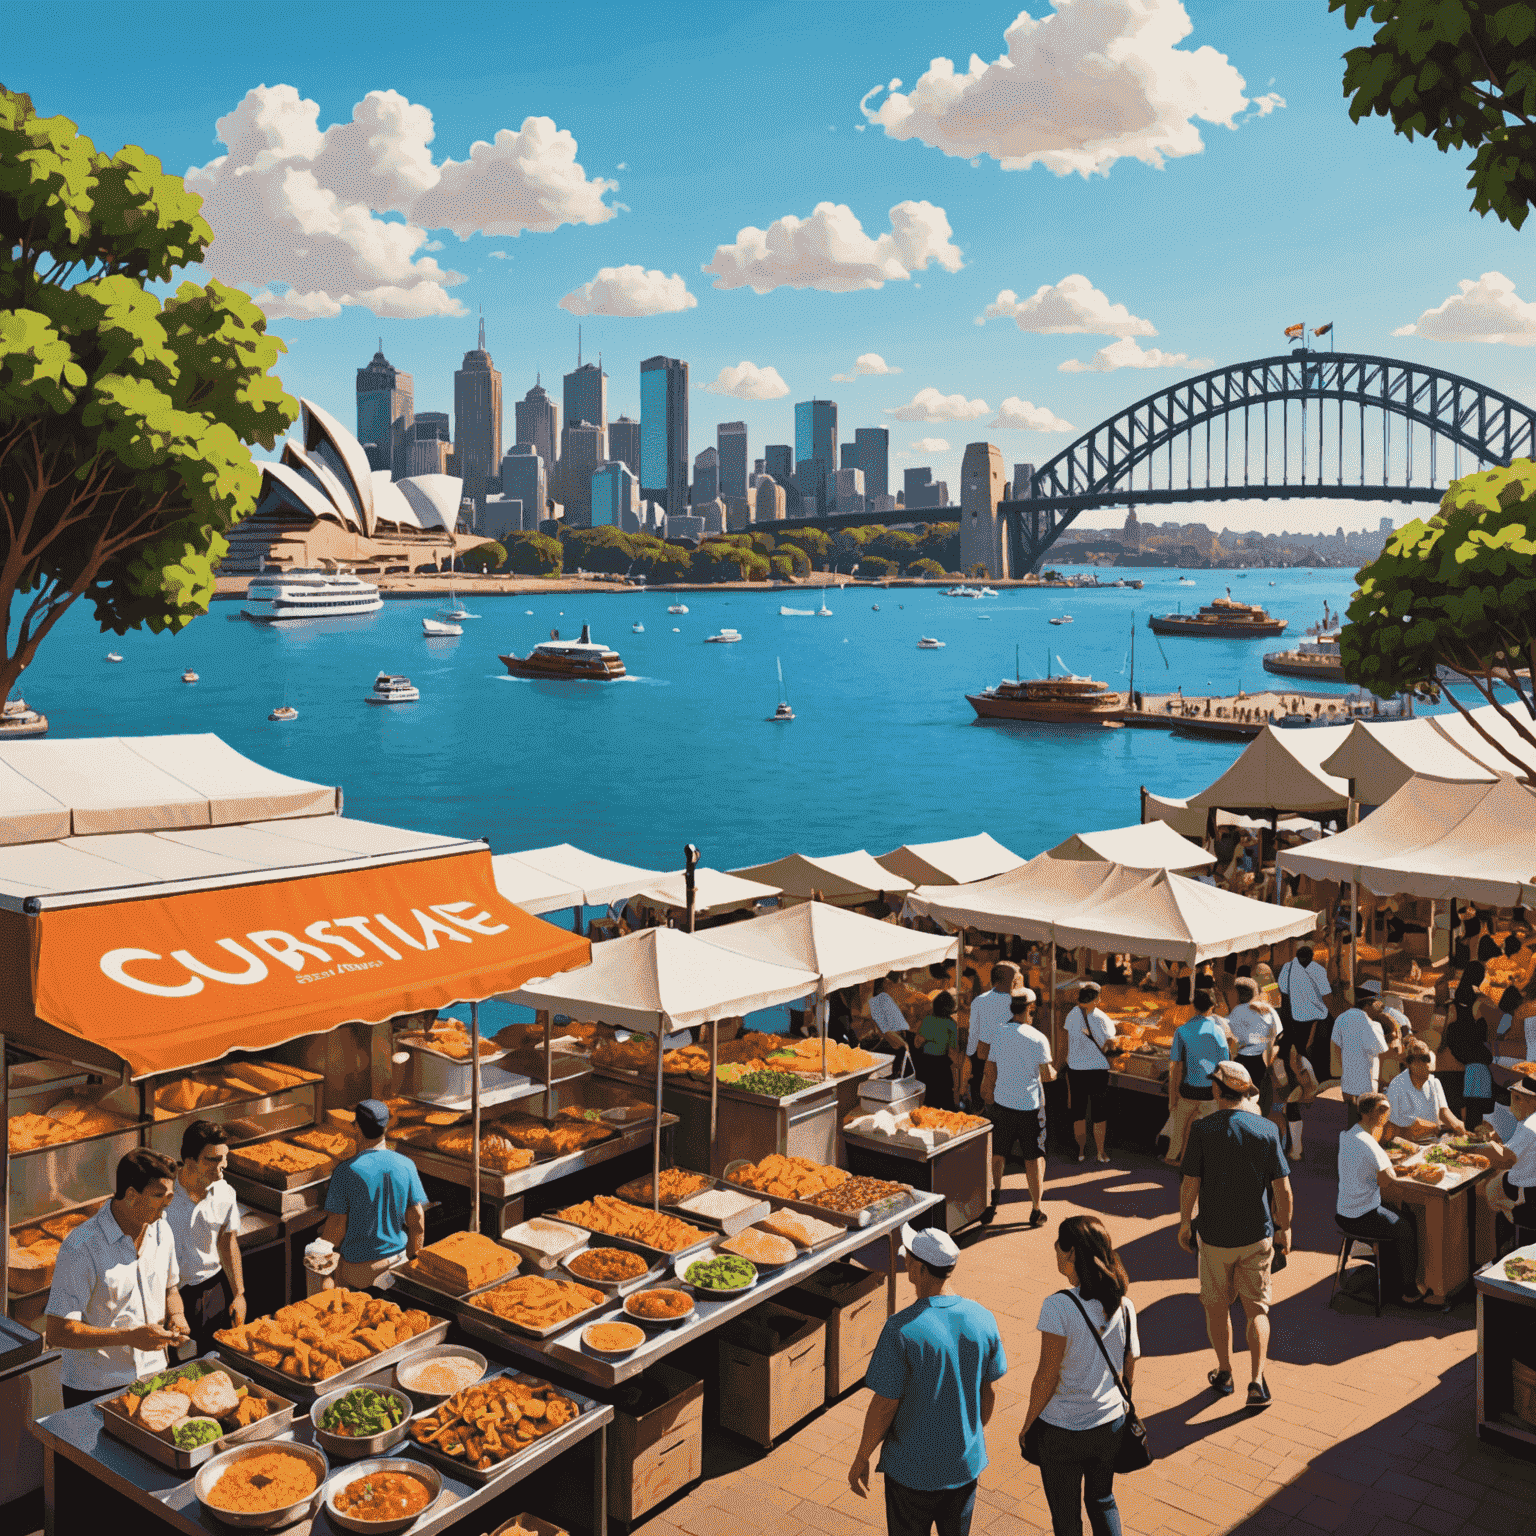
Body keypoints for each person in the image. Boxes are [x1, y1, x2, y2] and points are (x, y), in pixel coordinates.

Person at [849, 1224, 1006, 1536]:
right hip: (964, 1466)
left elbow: (884, 1406)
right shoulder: (983, 1318)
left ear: (918, 1269)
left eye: (908, 1258)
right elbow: (988, 1396)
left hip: (911, 1473)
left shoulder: (900, 1329)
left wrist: (862, 1456)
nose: (905, 1261)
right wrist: (966, 1437)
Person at [1177, 1061, 1292, 1407]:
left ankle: (1225, 1371)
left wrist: (1185, 1221)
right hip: (1257, 1234)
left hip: (1213, 1236)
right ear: (1245, 1092)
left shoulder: (1202, 1129)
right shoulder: (1267, 1130)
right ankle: (1256, 1382)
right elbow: (1283, 1190)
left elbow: (1190, 1184)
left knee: (1216, 1308)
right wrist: (1284, 1227)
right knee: (1257, 1310)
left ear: (1216, 1089)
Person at [1019, 1216, 1139, 1536]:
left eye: (1059, 1244)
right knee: (1103, 1500)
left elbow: (1047, 1375)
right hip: (1109, 1422)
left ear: (1070, 1254)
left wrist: (1029, 1422)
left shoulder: (1059, 1306)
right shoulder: (1124, 1304)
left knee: (1066, 1516)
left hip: (1062, 1430)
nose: (1055, 1249)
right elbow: (1129, 1365)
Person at [45, 1149, 189, 1408]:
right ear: (132, 1195)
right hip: (97, 1389)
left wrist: (177, 1316)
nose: (167, 1205)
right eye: (158, 1196)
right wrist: (128, 1337)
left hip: (154, 1376)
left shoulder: (161, 1229)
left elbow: (171, 1289)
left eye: (170, 1195)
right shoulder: (81, 1247)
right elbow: (59, 1332)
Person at [321, 1099, 428, 1290]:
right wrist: (412, 1262)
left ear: (357, 1128)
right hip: (397, 1264)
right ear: (386, 1127)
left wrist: (320, 1261)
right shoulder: (406, 1165)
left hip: (360, 1273)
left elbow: (336, 1230)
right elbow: (417, 1219)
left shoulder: (346, 1171)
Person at [1335, 1093, 1430, 1306]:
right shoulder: (1369, 1143)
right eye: (1384, 1110)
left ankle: (1390, 1278)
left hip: (1344, 1211)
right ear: (1375, 1115)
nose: (1388, 1114)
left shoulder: (1348, 1135)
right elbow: (1389, 1180)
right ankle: (1408, 1290)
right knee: (1405, 1228)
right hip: (1361, 1215)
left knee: (1403, 1216)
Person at [976, 990, 1056, 1229]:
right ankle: (1036, 1209)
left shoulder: (998, 1033)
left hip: (1001, 1104)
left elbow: (990, 1068)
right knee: (1033, 1158)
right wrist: (1053, 1070)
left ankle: (992, 1202)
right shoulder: (1038, 1038)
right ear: (1030, 1009)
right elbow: (1047, 1075)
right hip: (1029, 1107)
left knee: (998, 1154)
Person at [167, 1120, 246, 1355]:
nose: (222, 1166)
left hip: (213, 1291)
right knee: (174, 1368)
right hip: (171, 1295)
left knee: (215, 1359)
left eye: (224, 1158)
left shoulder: (225, 1193)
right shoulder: (164, 1197)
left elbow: (227, 1243)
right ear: (189, 1161)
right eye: (212, 1160)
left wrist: (239, 1294)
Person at [1164, 989, 1233, 1167]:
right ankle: (1206, 1160)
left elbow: (1175, 1066)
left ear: (1193, 1007)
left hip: (1187, 1089)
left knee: (1180, 1127)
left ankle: (1172, 1157)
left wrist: (1173, 1096)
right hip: (1211, 1090)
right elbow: (1225, 1064)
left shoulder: (1182, 1030)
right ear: (1212, 1007)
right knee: (1209, 1128)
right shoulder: (1218, 1032)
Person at [1276, 944, 1332, 1159]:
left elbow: (1284, 990)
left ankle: (1303, 1087)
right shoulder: (1316, 970)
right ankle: (1294, 1147)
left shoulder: (1288, 969)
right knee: (1297, 1066)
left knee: (1293, 1069)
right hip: (1310, 1020)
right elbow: (1325, 993)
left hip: (1296, 1020)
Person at [1332, 990, 1406, 1126]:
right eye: (1377, 1005)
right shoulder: (1372, 1025)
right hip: (1367, 1083)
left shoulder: (1342, 1019)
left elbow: (1335, 1047)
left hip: (1349, 1082)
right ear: (1368, 1005)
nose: (1380, 1009)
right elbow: (1381, 1048)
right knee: (1366, 1121)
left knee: (1353, 1119)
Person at [1063, 982, 1116, 1165]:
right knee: (1098, 1113)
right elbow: (1110, 1044)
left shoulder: (1071, 1015)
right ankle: (1101, 1152)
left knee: (1078, 1111)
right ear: (1096, 998)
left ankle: (1080, 1151)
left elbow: (1066, 1040)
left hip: (1076, 1069)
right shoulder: (1102, 1018)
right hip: (1097, 1070)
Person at [1385, 1039, 1465, 1141]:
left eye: (1426, 1058)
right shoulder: (1397, 1084)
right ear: (1409, 1063)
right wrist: (1435, 1128)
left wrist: (1458, 1125)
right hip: (1407, 1143)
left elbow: (1444, 1112)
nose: (1424, 1063)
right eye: (1418, 1059)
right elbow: (1400, 1123)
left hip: (1434, 1141)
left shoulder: (1434, 1082)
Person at [962, 963, 1018, 1106]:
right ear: (1009, 981)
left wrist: (969, 1058)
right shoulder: (1014, 1002)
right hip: (1006, 1055)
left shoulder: (979, 1001)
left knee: (983, 1094)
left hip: (983, 1054)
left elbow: (973, 1032)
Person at [1227, 977, 1282, 1120]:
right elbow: (1278, 1035)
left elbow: (1233, 1040)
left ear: (1238, 994)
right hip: (1264, 1062)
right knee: (1262, 1102)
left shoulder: (1237, 1011)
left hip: (1243, 1062)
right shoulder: (1268, 1009)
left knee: (1243, 1101)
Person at [914, 991, 960, 1111]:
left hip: (925, 1064)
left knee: (928, 1101)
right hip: (941, 1066)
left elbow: (917, 1043)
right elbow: (952, 1049)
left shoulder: (927, 1020)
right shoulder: (951, 1024)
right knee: (944, 1101)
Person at [870, 974, 914, 1056]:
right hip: (893, 1046)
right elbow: (887, 1032)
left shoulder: (889, 1000)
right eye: (887, 983)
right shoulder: (877, 1003)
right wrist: (903, 1044)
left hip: (900, 1041)